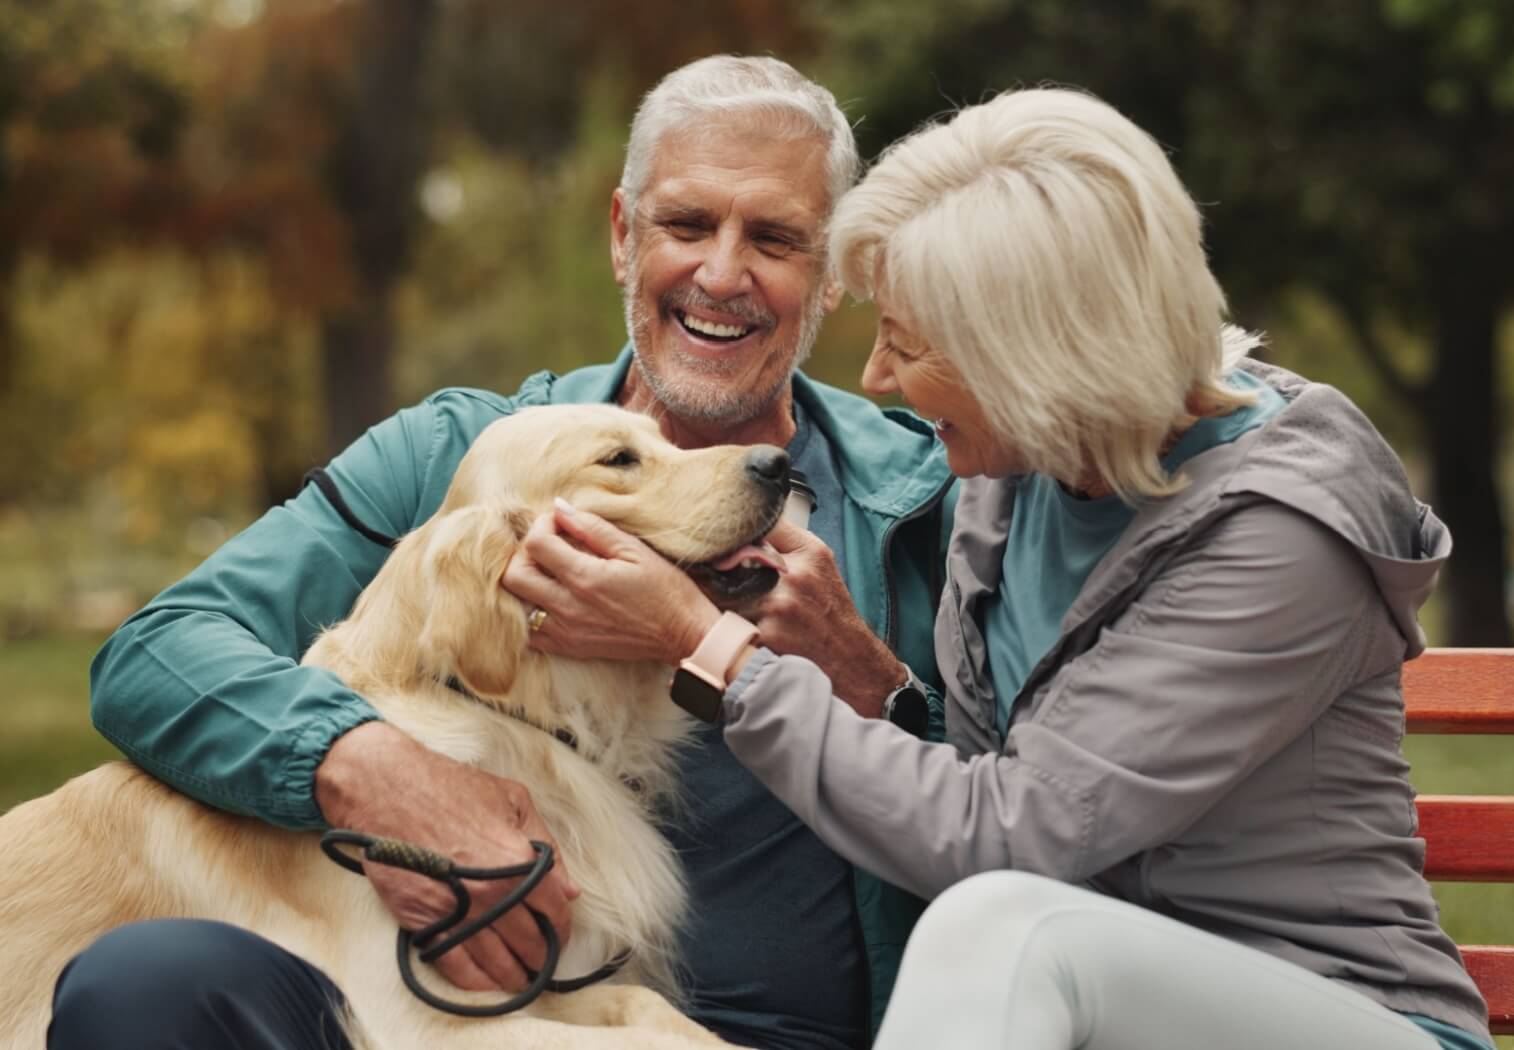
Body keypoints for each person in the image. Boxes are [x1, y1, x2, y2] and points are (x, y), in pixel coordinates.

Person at [510, 89, 1495, 1050]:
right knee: (1016, 934)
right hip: (1071, 1009)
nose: (877, 380)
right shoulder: (1010, 469)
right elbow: (1003, 788)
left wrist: (703, 643)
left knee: (1009, 929)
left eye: (906, 344)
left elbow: (1010, 839)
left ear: (1033, 357)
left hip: (1329, 1009)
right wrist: (872, 687)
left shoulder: (1281, 537)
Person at [57, 55, 956, 1050]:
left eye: (776, 239)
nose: (720, 273)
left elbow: (1055, 821)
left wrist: (872, 686)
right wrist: (373, 773)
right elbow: (157, 654)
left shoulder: (931, 499)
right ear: (623, 236)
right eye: (687, 225)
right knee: (149, 982)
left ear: (832, 273)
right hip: (461, 1017)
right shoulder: (454, 457)